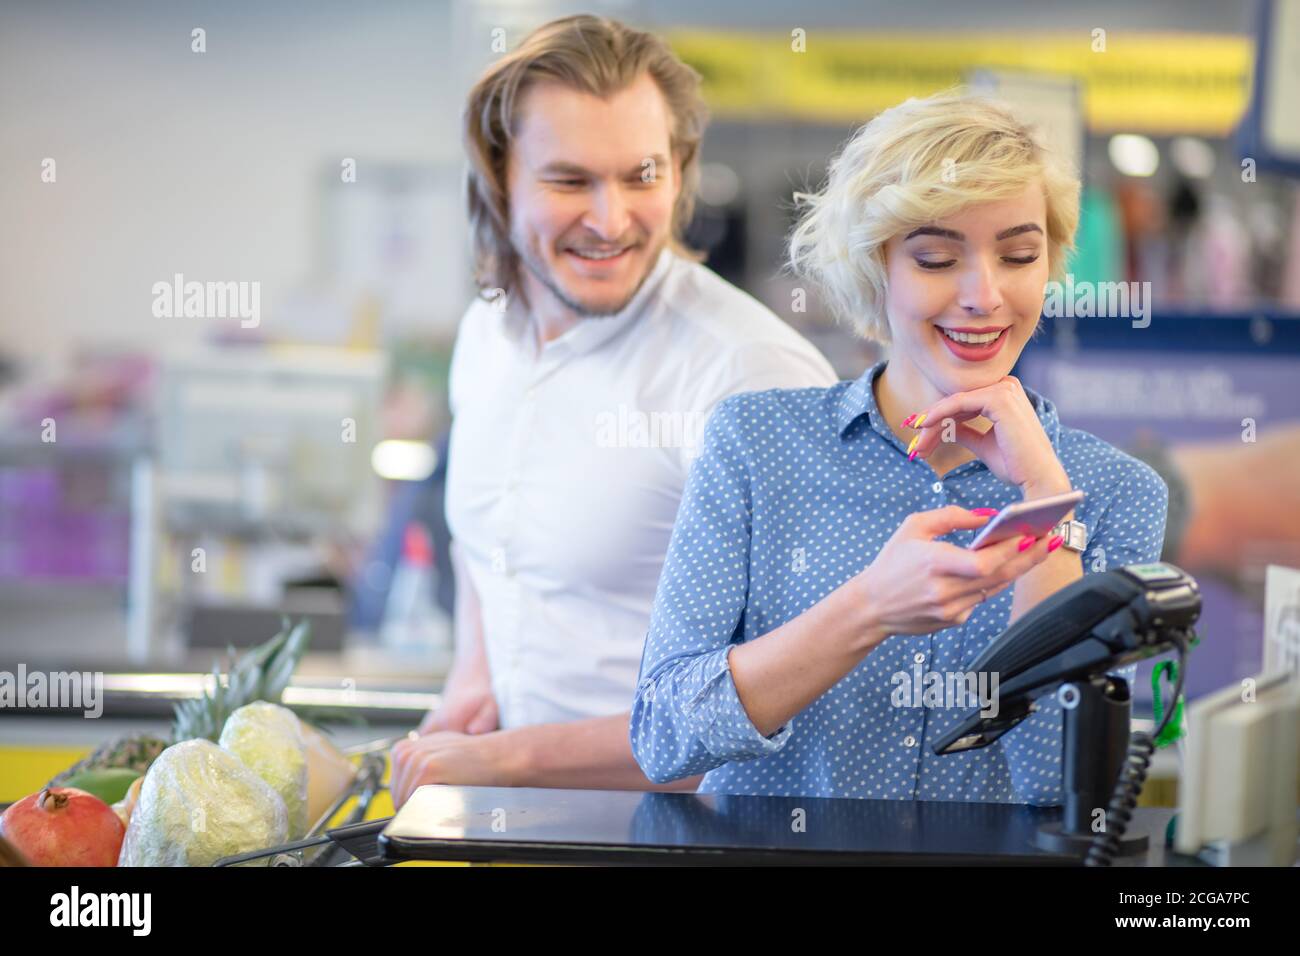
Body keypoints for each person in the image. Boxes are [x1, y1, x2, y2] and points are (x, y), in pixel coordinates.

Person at [629, 90, 1170, 804]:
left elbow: (1068, 790)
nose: (984, 294)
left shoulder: (1115, 493)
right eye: (937, 259)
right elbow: (666, 737)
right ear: (874, 267)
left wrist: (1046, 501)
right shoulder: (757, 444)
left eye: (1017, 255)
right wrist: (868, 610)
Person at [389, 15, 836, 807]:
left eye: (641, 176)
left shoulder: (749, 373)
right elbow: (486, 548)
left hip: (680, 841)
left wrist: (508, 759)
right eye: (569, 181)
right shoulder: (485, 335)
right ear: (499, 179)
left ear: (681, 169)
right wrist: (474, 674)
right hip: (515, 831)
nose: (610, 219)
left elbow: (797, 696)